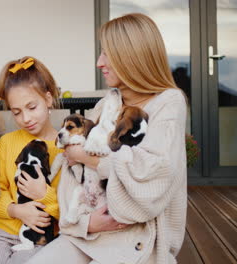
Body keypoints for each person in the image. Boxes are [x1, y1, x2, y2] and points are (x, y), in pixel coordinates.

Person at [26, 13, 187, 264]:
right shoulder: (105, 105)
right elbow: (71, 175)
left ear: (132, 55)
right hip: (90, 231)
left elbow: (150, 184)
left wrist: (91, 159)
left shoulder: (168, 104)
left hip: (138, 240)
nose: (99, 62)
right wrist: (86, 222)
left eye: (106, 54)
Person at [0, 56, 63, 264]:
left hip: (40, 237)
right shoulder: (6, 143)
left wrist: (45, 195)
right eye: (17, 112)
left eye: (32, 107)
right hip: (2, 231)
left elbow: (70, 207)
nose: (26, 119)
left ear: (48, 99)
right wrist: (15, 210)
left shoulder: (65, 150)